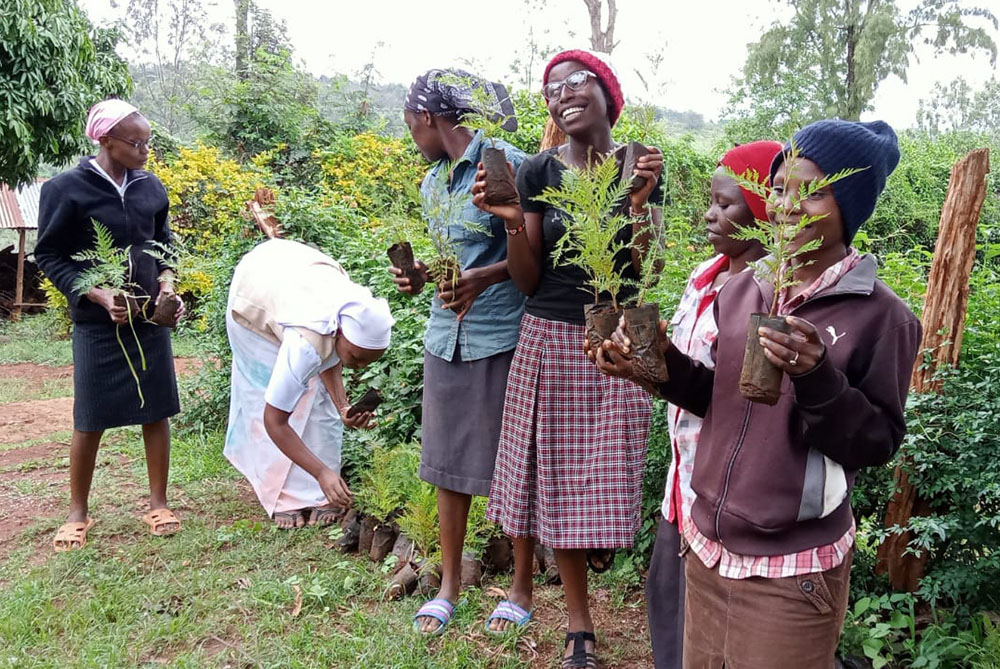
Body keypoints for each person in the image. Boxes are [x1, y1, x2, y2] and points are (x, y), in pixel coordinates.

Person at [594, 120, 921, 668]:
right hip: (707, 549)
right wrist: (651, 365)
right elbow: (713, 396)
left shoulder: (881, 318)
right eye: (779, 188)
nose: (788, 205)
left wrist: (817, 377)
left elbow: (876, 443)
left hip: (792, 572)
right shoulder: (745, 287)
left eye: (813, 191)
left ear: (850, 206)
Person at [474, 49, 663, 668]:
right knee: (555, 476)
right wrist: (508, 222)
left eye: (576, 80)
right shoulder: (537, 172)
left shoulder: (643, 163)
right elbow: (528, 281)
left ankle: (610, 567)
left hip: (621, 340)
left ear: (609, 91)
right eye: (551, 88)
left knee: (604, 472)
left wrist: (638, 207)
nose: (562, 93)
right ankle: (579, 623)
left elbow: (652, 270)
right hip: (551, 337)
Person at [392, 69, 527, 636]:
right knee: (445, 465)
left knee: (512, 467)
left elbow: (534, 253)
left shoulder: (506, 161)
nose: (411, 136)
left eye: (409, 124)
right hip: (444, 336)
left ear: (426, 117)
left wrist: (483, 278)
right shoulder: (433, 183)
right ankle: (449, 586)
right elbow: (452, 259)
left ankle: (520, 589)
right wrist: (424, 276)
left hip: (501, 334)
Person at [645, 140, 782, 669]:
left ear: (764, 211)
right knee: (669, 619)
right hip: (679, 489)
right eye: (710, 200)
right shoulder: (703, 277)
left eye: (727, 205)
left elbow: (738, 401)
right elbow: (682, 373)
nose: (710, 214)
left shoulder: (773, 293)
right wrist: (642, 361)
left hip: (726, 495)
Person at [36, 99, 184, 550]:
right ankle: (78, 513)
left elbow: (164, 244)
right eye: (136, 143)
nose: (145, 151)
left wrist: (168, 285)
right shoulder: (66, 189)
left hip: (148, 319)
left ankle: (158, 503)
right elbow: (49, 255)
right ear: (105, 141)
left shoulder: (150, 187)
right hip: (97, 325)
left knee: (156, 410)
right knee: (91, 416)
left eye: (147, 142)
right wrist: (99, 296)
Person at [224, 238, 393, 529]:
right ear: (340, 333)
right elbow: (274, 420)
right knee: (274, 397)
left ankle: (320, 493)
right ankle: (284, 499)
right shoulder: (306, 341)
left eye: (368, 361)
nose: (360, 366)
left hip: (298, 281)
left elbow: (331, 358)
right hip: (255, 295)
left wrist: (343, 406)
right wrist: (321, 472)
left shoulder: (351, 313)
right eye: (357, 357)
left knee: (321, 402)